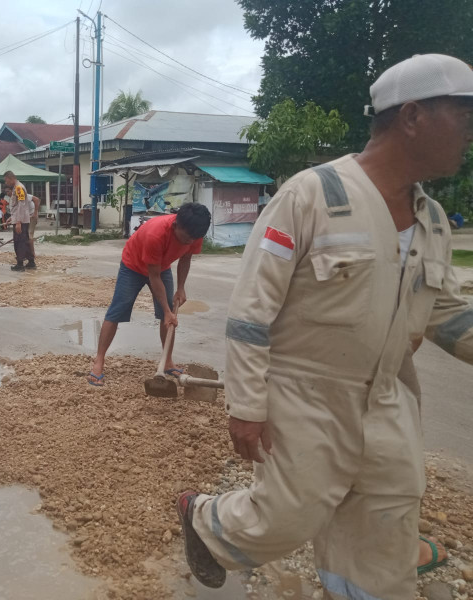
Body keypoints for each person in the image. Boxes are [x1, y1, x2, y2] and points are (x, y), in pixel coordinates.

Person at [176, 54, 473, 599]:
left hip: (389, 399)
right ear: (413, 117)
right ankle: (205, 520)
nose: (470, 134)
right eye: (463, 115)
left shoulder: (431, 219)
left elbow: (446, 310)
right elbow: (251, 309)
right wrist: (245, 405)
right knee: (288, 516)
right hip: (305, 394)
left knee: (385, 529)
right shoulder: (313, 196)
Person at [87, 203, 210, 386]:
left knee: (166, 317)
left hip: (163, 266)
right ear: (176, 226)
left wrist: (181, 287)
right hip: (133, 266)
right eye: (186, 238)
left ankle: (167, 361)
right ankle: (99, 360)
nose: (189, 242)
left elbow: (186, 258)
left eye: (193, 239)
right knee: (117, 310)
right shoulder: (156, 234)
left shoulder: (194, 232)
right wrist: (168, 310)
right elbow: (154, 276)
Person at [3, 171, 38, 271]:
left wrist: (18, 222)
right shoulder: (16, 187)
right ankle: (31, 262)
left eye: (6, 180)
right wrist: (12, 218)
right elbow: (16, 206)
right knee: (25, 241)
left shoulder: (18, 188)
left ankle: (20, 264)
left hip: (21, 221)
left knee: (20, 242)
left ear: (10, 178)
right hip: (20, 219)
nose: (6, 183)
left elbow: (22, 205)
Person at [28, 193, 41, 259]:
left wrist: (35, 212)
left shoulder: (25, 195)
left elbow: (37, 199)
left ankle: (32, 254)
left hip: (32, 216)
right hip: (25, 218)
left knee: (29, 235)